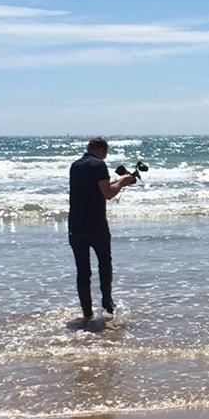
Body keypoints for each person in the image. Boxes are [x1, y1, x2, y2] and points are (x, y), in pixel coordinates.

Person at [68, 137, 136, 320]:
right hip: (96, 224)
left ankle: (87, 313)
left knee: (83, 271)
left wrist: (118, 180)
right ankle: (107, 302)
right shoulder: (99, 165)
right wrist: (122, 182)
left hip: (76, 225)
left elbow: (96, 187)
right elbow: (107, 193)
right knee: (104, 263)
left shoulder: (75, 166)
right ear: (102, 151)